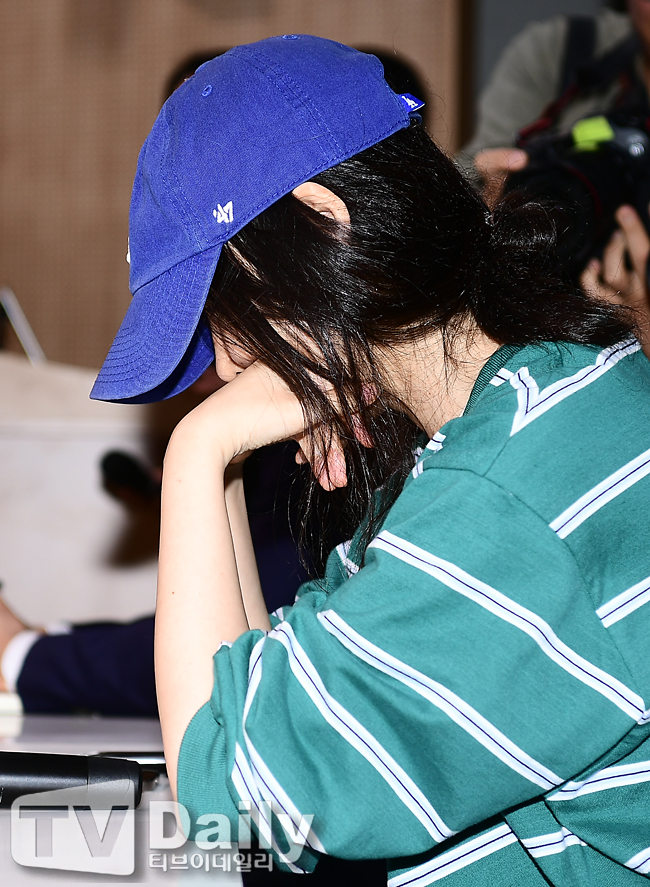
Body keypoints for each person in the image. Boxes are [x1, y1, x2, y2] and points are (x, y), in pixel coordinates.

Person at [91, 35, 650, 885]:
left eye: (223, 312)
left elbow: (230, 807)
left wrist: (198, 448)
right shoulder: (536, 410)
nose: (229, 366)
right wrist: (224, 464)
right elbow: (269, 701)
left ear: (321, 223)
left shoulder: (501, 498)